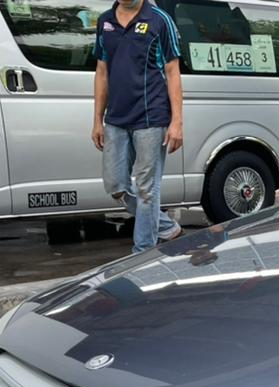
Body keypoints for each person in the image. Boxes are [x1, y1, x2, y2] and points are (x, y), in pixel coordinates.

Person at [92, 0, 184, 252]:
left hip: (151, 117)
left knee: (146, 190)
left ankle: (143, 251)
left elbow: (172, 71)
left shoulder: (159, 20)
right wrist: (97, 120)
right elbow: (102, 71)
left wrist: (177, 121)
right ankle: (166, 226)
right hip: (116, 119)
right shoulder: (105, 21)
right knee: (115, 186)